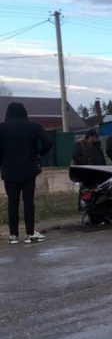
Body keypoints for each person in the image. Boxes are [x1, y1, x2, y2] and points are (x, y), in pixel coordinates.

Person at [0, 102, 53, 244]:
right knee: (28, 201)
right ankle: (30, 233)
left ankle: (13, 236)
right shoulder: (33, 127)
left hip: (9, 170)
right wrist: (40, 153)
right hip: (29, 169)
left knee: (12, 202)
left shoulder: (2, 128)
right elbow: (48, 141)